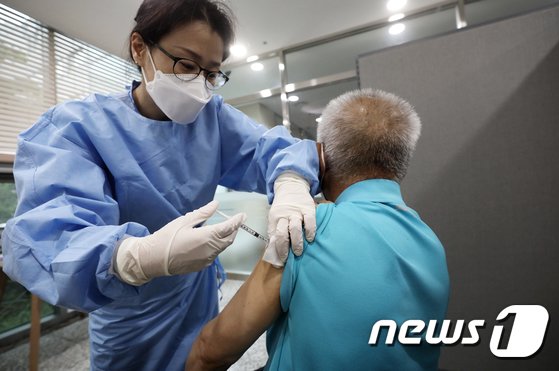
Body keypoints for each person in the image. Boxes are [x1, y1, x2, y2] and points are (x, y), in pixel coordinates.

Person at [0, 1, 319, 370]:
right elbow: (49, 236)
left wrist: (292, 181)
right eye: (186, 65)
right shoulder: (76, 129)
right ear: (140, 48)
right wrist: (137, 258)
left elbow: (275, 150)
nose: (199, 85)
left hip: (196, 294)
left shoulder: (212, 119)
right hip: (129, 308)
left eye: (211, 73)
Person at [186, 88, 450, 370]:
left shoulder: (308, 227)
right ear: (400, 162)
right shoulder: (430, 242)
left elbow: (211, 352)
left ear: (320, 159)